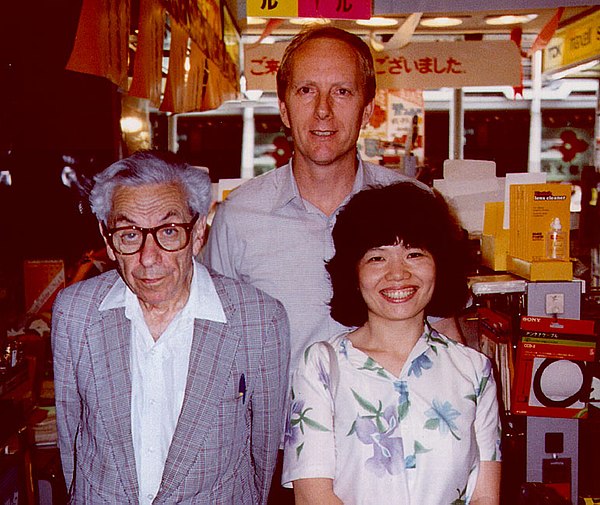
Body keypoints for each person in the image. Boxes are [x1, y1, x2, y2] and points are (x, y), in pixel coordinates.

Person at [51, 150, 290, 504]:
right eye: (129, 234)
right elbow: (71, 439)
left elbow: (263, 454)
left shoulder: (259, 320)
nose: (149, 258)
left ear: (197, 234)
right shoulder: (75, 313)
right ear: (108, 240)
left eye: (169, 230)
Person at [282, 182, 502, 505]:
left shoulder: (475, 371)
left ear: (439, 264)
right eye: (377, 258)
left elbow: (485, 497)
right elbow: (313, 496)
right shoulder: (321, 367)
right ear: (353, 274)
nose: (398, 273)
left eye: (414, 254)